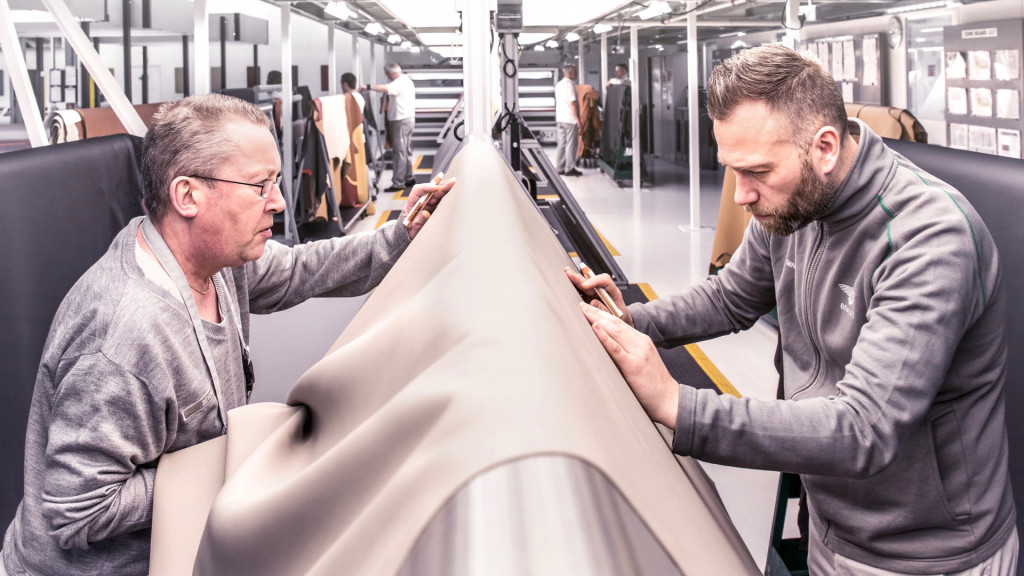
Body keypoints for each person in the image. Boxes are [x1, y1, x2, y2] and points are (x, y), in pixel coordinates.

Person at [567, 44, 1017, 574]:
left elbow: (863, 429)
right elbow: (730, 297)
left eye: (757, 171)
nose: (741, 196)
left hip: (925, 554)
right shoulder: (796, 201)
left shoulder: (929, 239)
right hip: (829, 522)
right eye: (733, 170)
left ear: (825, 147)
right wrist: (629, 322)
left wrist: (676, 404)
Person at [0, 93, 454, 576]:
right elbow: (78, 511)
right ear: (188, 196)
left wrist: (401, 236)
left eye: (275, 182)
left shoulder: (215, 261)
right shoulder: (124, 336)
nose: (278, 202)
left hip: (180, 544)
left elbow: (299, 269)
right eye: (260, 186)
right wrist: (232, 461)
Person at [361, 62, 417, 192]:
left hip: (400, 122)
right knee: (406, 151)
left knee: (399, 152)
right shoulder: (405, 80)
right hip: (406, 120)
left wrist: (367, 87)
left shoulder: (400, 82)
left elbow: (386, 89)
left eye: (387, 75)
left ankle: (398, 183)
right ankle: (409, 177)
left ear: (391, 74)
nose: (387, 77)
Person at [555, 64, 582, 177]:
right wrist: (577, 119)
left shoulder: (558, 84)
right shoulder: (569, 85)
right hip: (570, 119)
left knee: (561, 144)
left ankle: (559, 168)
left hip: (560, 118)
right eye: (575, 72)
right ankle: (569, 168)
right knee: (571, 144)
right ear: (569, 73)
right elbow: (573, 103)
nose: (576, 74)